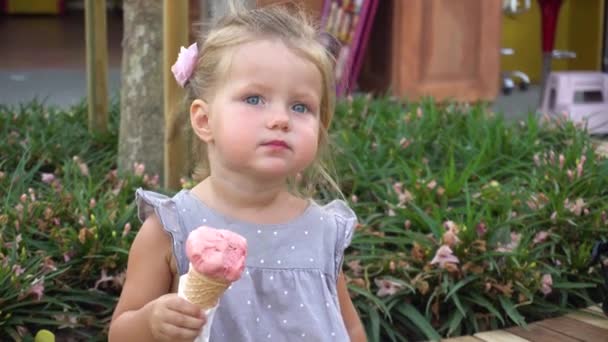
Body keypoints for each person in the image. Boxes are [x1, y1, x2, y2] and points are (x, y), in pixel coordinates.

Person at [108, 2, 366, 341]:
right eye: (255, 99)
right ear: (204, 120)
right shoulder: (172, 227)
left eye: (300, 106)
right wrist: (150, 321)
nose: (281, 119)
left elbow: (349, 328)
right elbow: (119, 333)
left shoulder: (321, 231)